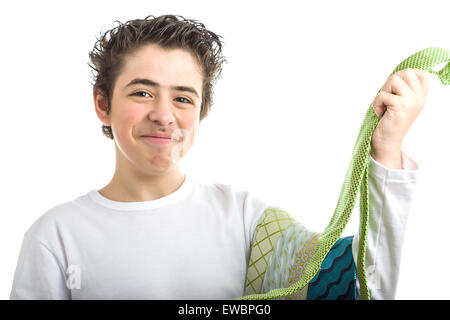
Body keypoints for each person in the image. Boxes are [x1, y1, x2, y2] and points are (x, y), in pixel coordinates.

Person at [9, 14, 428, 300]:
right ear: (103, 104)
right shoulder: (54, 236)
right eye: (142, 92)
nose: (163, 114)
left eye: (183, 97)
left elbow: (360, 287)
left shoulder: (246, 221)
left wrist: (386, 150)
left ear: (201, 111)